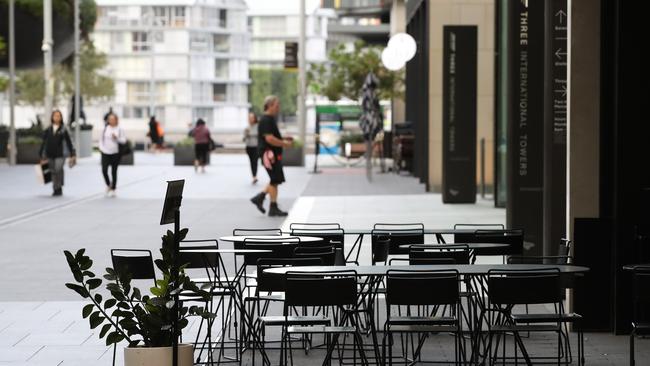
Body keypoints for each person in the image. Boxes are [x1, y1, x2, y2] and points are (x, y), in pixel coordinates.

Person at [250, 95, 293, 216]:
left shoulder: (268, 119)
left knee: (275, 180)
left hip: (272, 155)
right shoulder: (266, 120)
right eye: (277, 105)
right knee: (275, 179)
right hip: (269, 156)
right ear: (269, 105)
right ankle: (268, 203)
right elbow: (269, 139)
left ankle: (263, 199)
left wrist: (283, 139)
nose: (278, 107)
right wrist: (285, 143)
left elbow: (271, 137)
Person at [39, 110, 76, 197]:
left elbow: (69, 142)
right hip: (50, 153)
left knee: (58, 169)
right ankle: (55, 188)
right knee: (52, 171)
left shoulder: (64, 129)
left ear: (61, 118)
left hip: (61, 154)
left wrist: (72, 153)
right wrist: (41, 154)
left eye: (58, 116)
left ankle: (58, 187)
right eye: (55, 116)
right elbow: (44, 142)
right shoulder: (48, 129)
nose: (57, 118)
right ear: (52, 117)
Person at [99, 112, 127, 197]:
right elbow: (101, 140)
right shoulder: (105, 128)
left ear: (116, 120)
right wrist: (101, 148)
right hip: (105, 152)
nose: (111, 120)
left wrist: (117, 138)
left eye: (113, 119)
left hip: (115, 153)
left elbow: (124, 141)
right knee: (104, 170)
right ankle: (108, 185)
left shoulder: (119, 129)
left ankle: (113, 188)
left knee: (114, 171)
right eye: (109, 119)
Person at [243, 112, 259, 184]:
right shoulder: (246, 128)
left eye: (252, 118)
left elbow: (260, 136)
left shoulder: (258, 126)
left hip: (256, 146)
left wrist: (251, 134)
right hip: (249, 147)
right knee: (251, 161)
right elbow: (244, 139)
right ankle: (254, 176)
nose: (250, 119)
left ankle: (254, 176)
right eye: (249, 118)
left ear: (254, 118)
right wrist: (246, 135)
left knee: (255, 161)